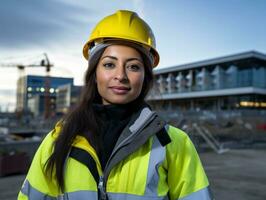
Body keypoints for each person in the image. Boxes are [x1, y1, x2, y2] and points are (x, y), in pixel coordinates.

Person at [18, 10, 212, 200]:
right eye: (109, 64)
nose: (120, 76)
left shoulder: (173, 143)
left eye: (133, 66)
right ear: (94, 74)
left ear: (145, 77)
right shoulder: (57, 140)